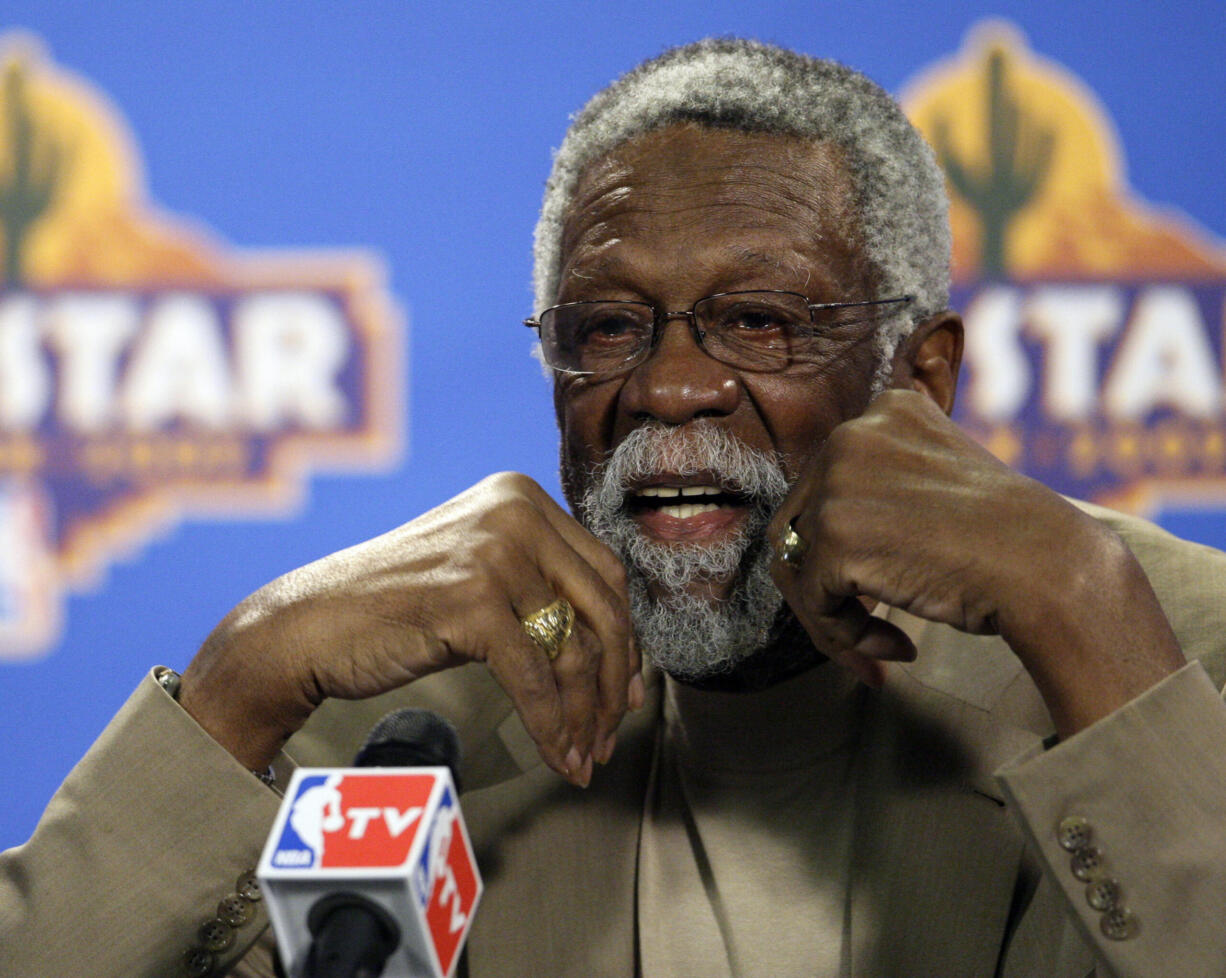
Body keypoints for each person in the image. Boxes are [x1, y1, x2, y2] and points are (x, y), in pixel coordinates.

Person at [3, 38, 1225, 978]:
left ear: (919, 376)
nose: (667, 387)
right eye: (606, 329)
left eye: (759, 320)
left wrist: (1082, 622)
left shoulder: (1167, 649)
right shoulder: (406, 735)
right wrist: (241, 681)